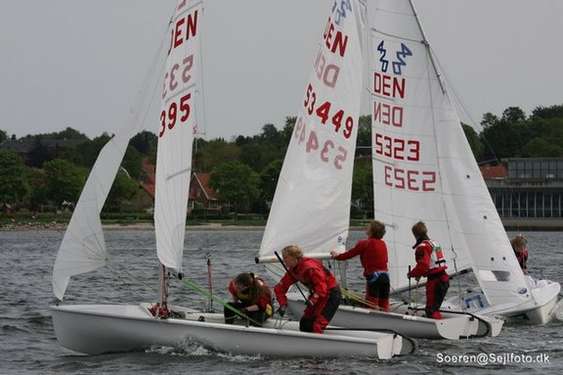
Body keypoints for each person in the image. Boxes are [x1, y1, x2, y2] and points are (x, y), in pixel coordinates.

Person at [274, 245, 341, 334]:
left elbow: (322, 287)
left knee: (316, 325)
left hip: (331, 295)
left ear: (294, 257)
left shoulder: (309, 267)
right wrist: (283, 305)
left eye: (286, 257)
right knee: (305, 324)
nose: (284, 260)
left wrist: (313, 300)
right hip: (319, 295)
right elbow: (279, 289)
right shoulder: (294, 270)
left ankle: (318, 344)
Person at [330, 220, 390, 311]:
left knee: (371, 304)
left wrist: (336, 256)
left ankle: (371, 322)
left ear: (371, 231)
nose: (367, 227)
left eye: (368, 227)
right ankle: (387, 320)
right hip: (385, 277)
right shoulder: (383, 243)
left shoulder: (364, 243)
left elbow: (349, 254)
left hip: (374, 278)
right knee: (384, 304)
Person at [407, 221, 449, 319]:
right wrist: (420, 274)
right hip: (444, 279)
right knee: (435, 307)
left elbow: (423, 266)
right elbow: (432, 263)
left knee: (431, 310)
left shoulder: (423, 247)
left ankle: (435, 329)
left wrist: (411, 274)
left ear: (415, 235)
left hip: (435, 282)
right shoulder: (435, 244)